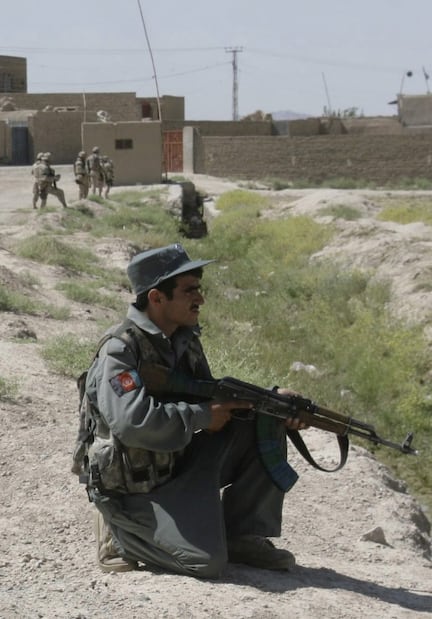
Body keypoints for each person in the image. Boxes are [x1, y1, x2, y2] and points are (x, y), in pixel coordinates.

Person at [74, 244, 306, 578]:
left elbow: (206, 392)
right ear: (157, 298)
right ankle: (120, 532)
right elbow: (132, 422)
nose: (200, 299)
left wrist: (271, 400)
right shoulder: (120, 350)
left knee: (263, 418)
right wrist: (202, 416)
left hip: (173, 467)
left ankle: (241, 536)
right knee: (205, 562)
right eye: (189, 291)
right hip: (132, 487)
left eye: (199, 289)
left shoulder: (183, 340)